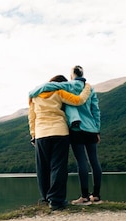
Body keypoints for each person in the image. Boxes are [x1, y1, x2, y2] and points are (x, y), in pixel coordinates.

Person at [29, 66, 102, 205]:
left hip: (52, 132)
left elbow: (32, 117)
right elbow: (88, 106)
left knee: (47, 166)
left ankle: (51, 198)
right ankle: (92, 195)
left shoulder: (42, 94)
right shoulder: (70, 91)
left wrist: (33, 134)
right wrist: (97, 129)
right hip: (72, 130)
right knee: (69, 165)